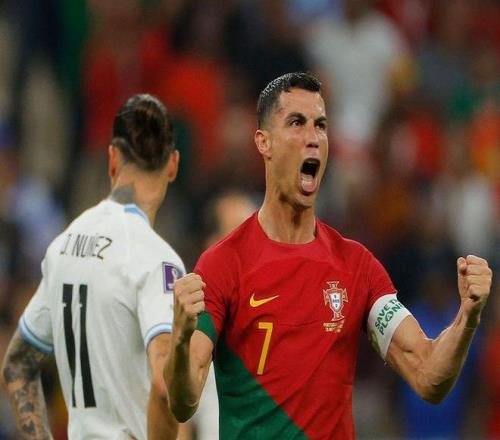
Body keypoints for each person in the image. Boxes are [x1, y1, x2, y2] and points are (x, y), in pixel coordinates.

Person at [164, 72, 494, 439]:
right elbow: (184, 401)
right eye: (296, 123)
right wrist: (180, 338)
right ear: (264, 142)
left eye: (320, 125)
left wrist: (467, 317)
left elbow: (428, 376)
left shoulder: (356, 267)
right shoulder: (224, 264)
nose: (312, 137)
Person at [1, 94, 183, 439]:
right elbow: (164, 386)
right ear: (173, 164)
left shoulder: (63, 245)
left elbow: (17, 364)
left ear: (112, 159)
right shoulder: (157, 260)